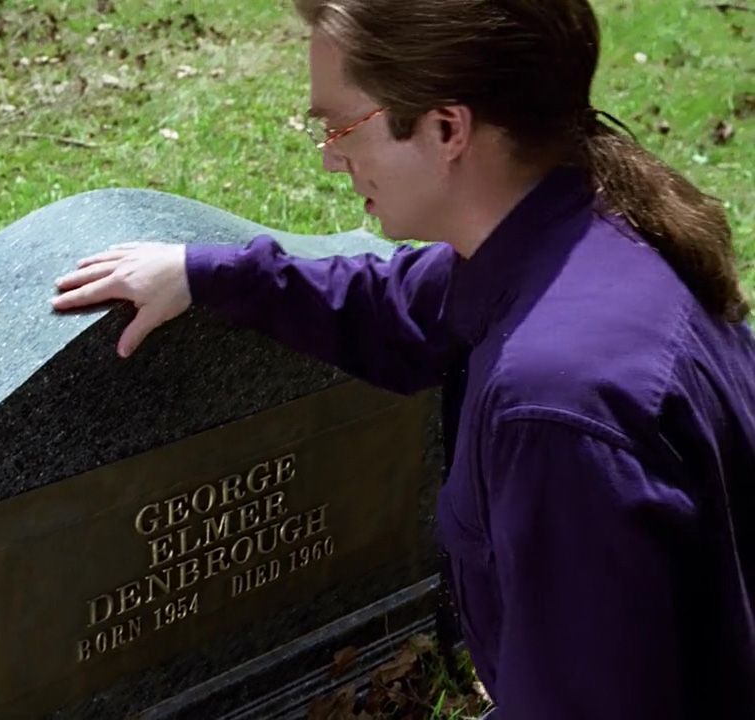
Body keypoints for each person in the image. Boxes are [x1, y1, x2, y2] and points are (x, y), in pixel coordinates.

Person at [51, 1, 755, 717]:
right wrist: (203, 272)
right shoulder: (589, 225)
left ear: (447, 128)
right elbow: (396, 304)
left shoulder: (555, 410)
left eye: (339, 125)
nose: (328, 154)